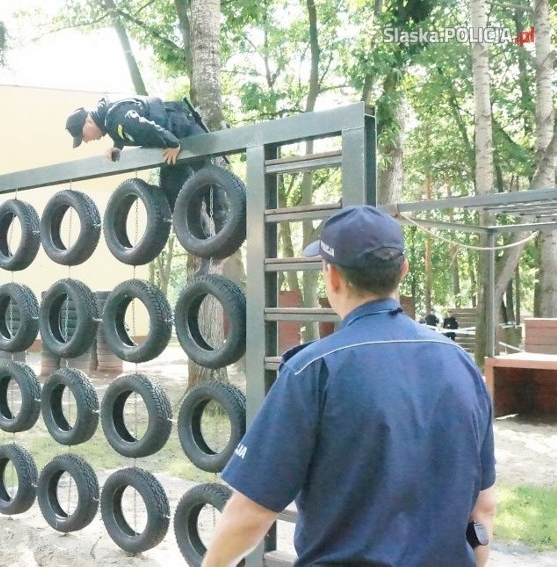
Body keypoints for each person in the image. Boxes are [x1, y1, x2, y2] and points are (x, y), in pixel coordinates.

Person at [202, 206, 496, 567]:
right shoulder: (463, 365)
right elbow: (483, 510)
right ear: (401, 271)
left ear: (333, 276)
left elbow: (252, 512)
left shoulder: (312, 370)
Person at [64, 95, 207, 209]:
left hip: (184, 130)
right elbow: (124, 133)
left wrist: (174, 144)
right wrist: (117, 148)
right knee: (174, 199)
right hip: (169, 149)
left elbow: (143, 127)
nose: (86, 141)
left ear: (88, 121)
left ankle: (223, 234)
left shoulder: (116, 117)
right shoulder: (110, 121)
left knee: (210, 183)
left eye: (83, 136)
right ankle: (201, 240)